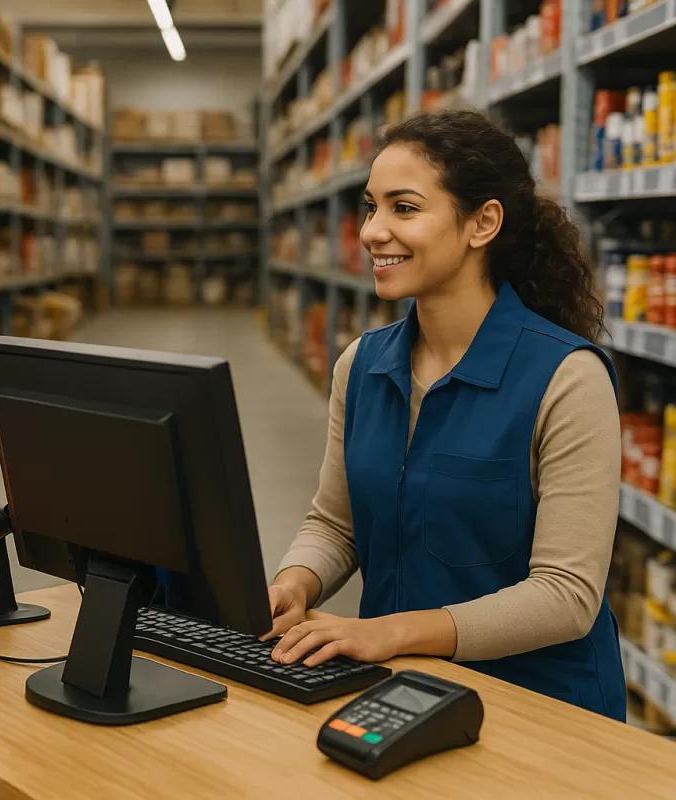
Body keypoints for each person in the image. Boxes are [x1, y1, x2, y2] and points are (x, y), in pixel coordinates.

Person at [262, 108, 627, 720]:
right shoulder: (363, 366)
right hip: (397, 696)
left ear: (482, 223)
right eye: (371, 207)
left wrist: (391, 633)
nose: (374, 231)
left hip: (542, 711)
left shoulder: (566, 378)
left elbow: (566, 596)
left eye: (404, 208)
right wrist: (292, 584)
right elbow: (336, 523)